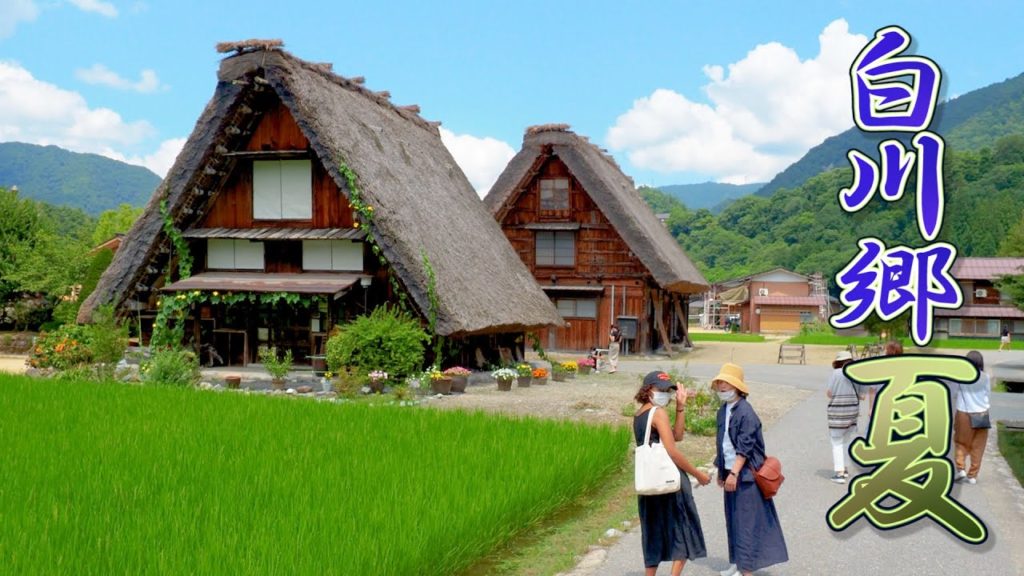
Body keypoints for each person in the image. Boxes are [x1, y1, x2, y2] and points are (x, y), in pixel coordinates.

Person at [713, 362, 788, 576]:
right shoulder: (723, 411)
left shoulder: (746, 412)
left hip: (746, 476)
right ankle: (736, 563)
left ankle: (747, 569)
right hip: (730, 473)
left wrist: (734, 472)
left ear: (737, 387)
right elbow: (723, 443)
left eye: (726, 383)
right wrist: (722, 472)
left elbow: (744, 448)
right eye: (720, 382)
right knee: (733, 519)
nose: (721, 387)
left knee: (746, 523)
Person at [634, 370, 711, 576]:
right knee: (682, 530)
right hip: (669, 481)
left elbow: (677, 435)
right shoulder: (658, 413)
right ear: (648, 389)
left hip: (650, 481)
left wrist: (680, 407)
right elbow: (673, 452)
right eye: (662, 389)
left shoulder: (640, 414)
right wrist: (698, 474)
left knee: (653, 531)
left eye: (669, 390)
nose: (666, 394)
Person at [954, 350, 992, 485]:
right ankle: (972, 476)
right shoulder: (985, 377)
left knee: (961, 442)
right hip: (982, 414)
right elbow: (987, 394)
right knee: (978, 446)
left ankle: (961, 468)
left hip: (964, 413)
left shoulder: (961, 376)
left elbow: (954, 392)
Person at [825, 350, 863, 483]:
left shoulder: (836, 373)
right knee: (846, 441)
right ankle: (845, 469)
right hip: (852, 411)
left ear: (838, 362)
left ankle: (839, 474)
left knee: (836, 442)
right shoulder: (856, 374)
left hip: (838, 411)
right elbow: (862, 395)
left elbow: (829, 393)